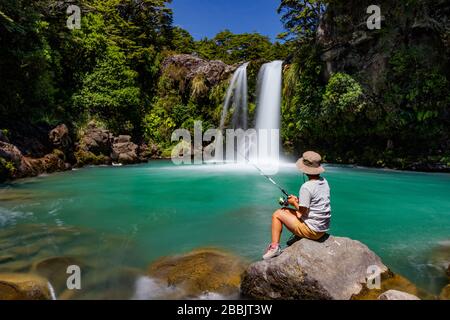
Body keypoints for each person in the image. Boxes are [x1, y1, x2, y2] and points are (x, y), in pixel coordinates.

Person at [263, 151, 332, 260]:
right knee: (284, 210)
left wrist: (294, 202)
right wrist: (298, 200)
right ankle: (298, 236)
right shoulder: (324, 181)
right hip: (323, 228)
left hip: (312, 231)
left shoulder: (307, 186)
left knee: (277, 214)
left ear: (305, 170)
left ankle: (274, 248)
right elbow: (315, 203)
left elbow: (302, 212)